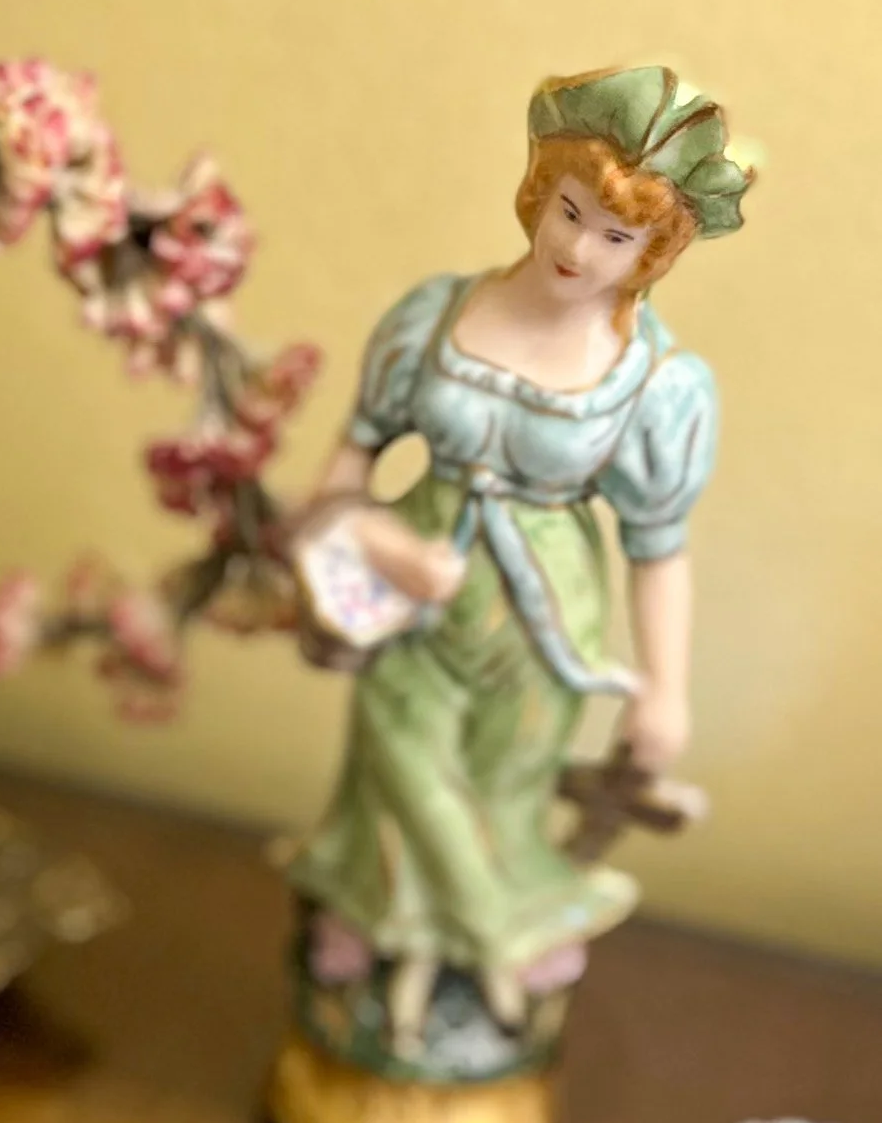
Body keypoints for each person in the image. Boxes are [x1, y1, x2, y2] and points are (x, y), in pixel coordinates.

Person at [286, 67, 751, 1054]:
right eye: (568, 211)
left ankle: (455, 944)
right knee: (399, 769)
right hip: (412, 588)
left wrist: (664, 691)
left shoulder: (655, 385)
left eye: (613, 236)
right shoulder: (434, 314)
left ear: (652, 253)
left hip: (547, 617)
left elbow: (657, 550)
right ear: (539, 189)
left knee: (504, 783)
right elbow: (343, 468)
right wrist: (374, 542)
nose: (576, 248)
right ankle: (463, 934)